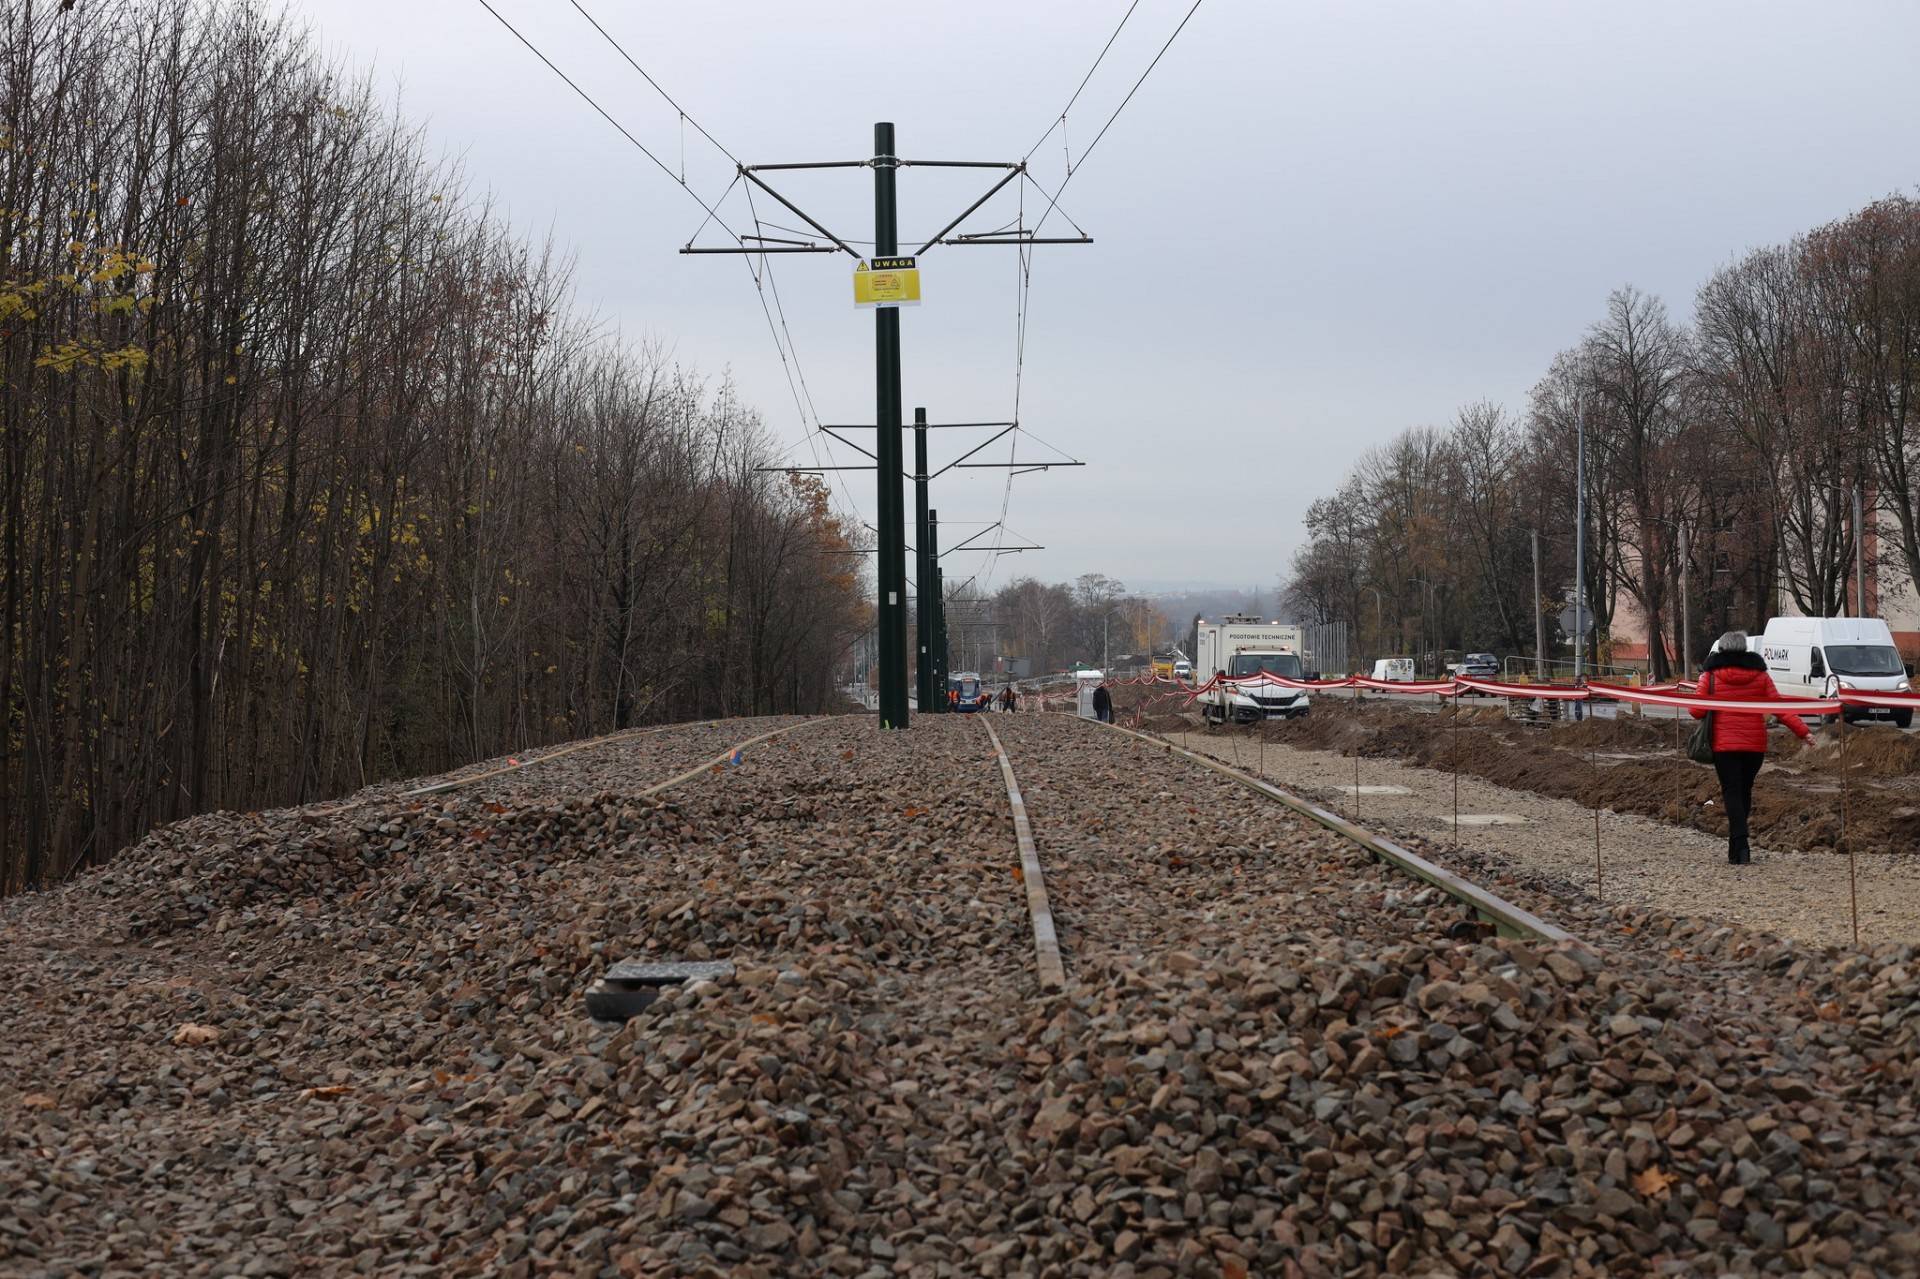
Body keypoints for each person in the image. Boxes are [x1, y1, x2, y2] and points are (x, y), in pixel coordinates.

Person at [1690, 630, 1811, 865]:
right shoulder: (1760, 676)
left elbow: (1696, 711)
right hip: (1754, 746)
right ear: (1745, 649)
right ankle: (1736, 849)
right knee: (1744, 791)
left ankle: (1742, 843)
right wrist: (1803, 732)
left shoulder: (1710, 676)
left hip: (1724, 745)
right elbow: (1780, 707)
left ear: (1721, 650)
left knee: (1731, 792)